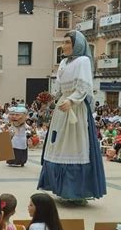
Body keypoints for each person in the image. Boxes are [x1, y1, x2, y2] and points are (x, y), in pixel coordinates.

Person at [38, 30, 106, 204]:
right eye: (64, 42)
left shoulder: (83, 61)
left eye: (68, 42)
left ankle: (77, 192)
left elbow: (84, 86)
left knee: (75, 146)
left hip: (75, 107)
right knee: (57, 145)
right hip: (62, 107)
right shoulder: (62, 63)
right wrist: (50, 97)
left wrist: (72, 100)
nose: (64, 45)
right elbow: (59, 88)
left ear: (78, 45)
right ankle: (60, 188)